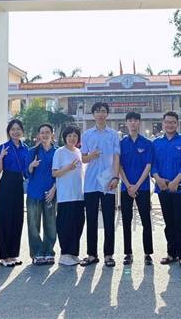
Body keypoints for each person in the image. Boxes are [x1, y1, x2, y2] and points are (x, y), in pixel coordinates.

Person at [80, 102, 121, 267]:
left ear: (107, 114)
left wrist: (116, 178)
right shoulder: (87, 135)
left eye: (103, 111)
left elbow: (117, 157)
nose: (100, 114)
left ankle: (109, 254)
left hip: (108, 182)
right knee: (91, 219)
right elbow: (83, 158)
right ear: (93, 115)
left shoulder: (114, 135)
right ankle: (92, 254)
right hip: (91, 182)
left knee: (109, 219)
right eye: (97, 111)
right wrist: (90, 156)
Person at [151, 111, 181, 269]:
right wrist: (158, 179)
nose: (170, 125)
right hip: (163, 189)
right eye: (167, 122)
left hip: (180, 189)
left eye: (173, 122)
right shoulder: (156, 143)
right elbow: (152, 163)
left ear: (177, 124)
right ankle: (171, 253)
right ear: (163, 124)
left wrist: (176, 181)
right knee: (168, 222)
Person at [119, 111, 154, 266]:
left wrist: (137, 185)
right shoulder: (121, 144)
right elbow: (119, 166)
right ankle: (128, 253)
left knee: (146, 220)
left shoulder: (147, 143)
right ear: (126, 123)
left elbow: (148, 165)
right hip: (125, 188)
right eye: (130, 120)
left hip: (143, 187)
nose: (133, 123)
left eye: (135, 120)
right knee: (126, 221)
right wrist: (128, 186)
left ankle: (148, 253)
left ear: (139, 123)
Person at [0, 119, 29, 267]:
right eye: (13, 129)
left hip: (19, 183)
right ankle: (4, 256)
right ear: (8, 132)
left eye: (18, 129)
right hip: (6, 182)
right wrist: (1, 157)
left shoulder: (25, 148)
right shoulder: (2, 147)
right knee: (5, 218)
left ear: (22, 131)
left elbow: (27, 169)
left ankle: (13, 254)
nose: (15, 132)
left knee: (17, 218)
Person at [52, 126, 85, 266]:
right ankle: (64, 254)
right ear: (64, 137)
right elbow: (54, 173)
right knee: (66, 225)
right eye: (69, 135)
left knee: (78, 224)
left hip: (79, 195)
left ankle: (73, 253)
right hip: (66, 195)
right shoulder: (60, 152)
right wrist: (67, 168)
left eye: (75, 136)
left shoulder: (79, 152)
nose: (72, 138)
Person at [26, 123, 58, 265]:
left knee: (50, 223)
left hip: (51, 192)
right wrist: (31, 166)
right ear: (38, 135)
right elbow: (26, 174)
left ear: (52, 134)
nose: (44, 135)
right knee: (33, 224)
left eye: (47, 132)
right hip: (34, 192)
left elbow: (59, 172)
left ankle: (49, 251)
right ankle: (37, 252)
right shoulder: (32, 152)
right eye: (42, 133)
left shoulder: (57, 152)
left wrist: (54, 188)